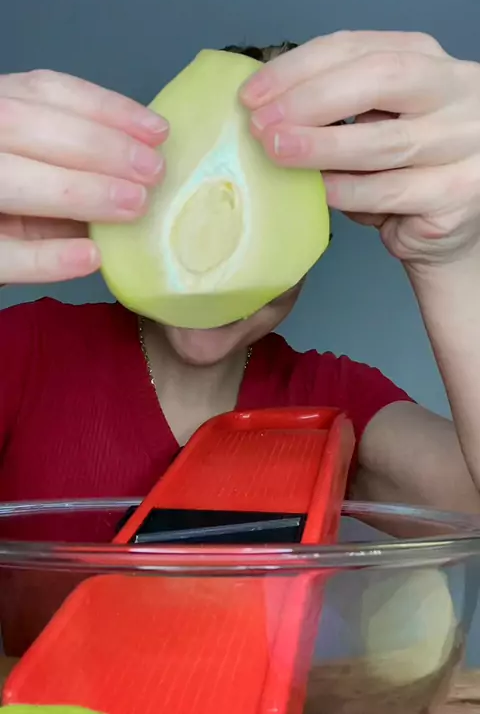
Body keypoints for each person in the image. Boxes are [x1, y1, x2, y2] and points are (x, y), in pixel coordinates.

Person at [1, 30, 480, 543]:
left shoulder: (330, 400)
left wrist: (450, 256)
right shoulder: (30, 346)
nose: (221, 276)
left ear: (317, 242)